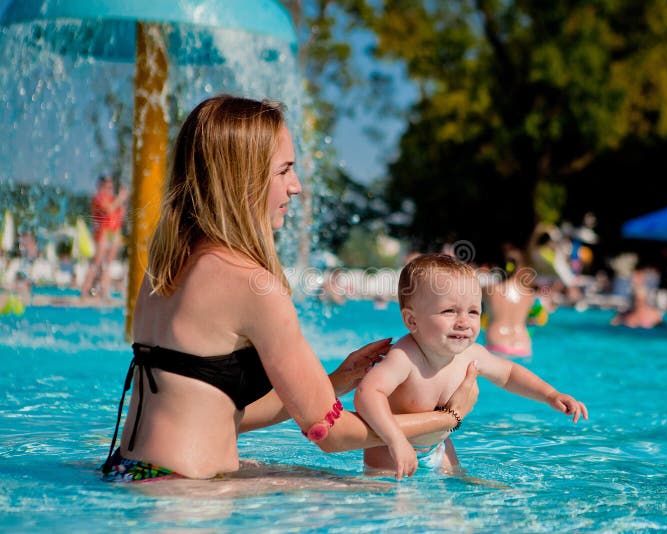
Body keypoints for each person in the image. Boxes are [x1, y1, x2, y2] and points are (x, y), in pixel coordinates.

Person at [100, 95, 479, 482]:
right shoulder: (252, 283)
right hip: (184, 498)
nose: (295, 187)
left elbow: (214, 409)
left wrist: (334, 382)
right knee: (384, 498)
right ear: (241, 179)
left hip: (131, 470)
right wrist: (448, 417)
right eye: (284, 171)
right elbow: (330, 435)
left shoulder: (164, 267)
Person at [354, 253, 588, 479]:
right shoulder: (405, 358)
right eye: (449, 311)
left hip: (439, 446)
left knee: (461, 501)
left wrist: (550, 395)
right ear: (412, 320)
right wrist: (395, 440)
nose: (464, 322)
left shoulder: (470, 354)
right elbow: (367, 393)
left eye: (474, 311)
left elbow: (509, 373)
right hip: (388, 450)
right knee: (392, 505)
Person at [483, 245, 537, 357]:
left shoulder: (489, 290)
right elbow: (533, 318)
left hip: (497, 340)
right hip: (523, 343)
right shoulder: (530, 294)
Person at [80, 174, 128, 301]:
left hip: (114, 231)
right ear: (100, 186)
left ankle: (105, 292)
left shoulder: (113, 198)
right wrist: (120, 199)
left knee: (108, 265)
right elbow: (107, 210)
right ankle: (85, 291)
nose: (109, 189)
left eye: (111, 187)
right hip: (103, 231)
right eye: (106, 187)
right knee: (96, 263)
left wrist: (120, 202)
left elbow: (120, 215)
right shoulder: (98, 198)